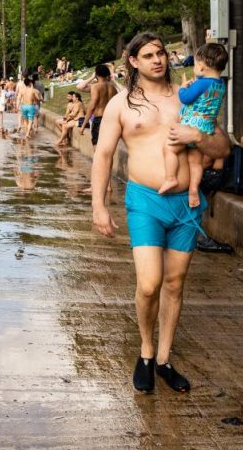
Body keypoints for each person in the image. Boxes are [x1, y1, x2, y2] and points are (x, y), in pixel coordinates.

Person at [90, 32, 231, 394]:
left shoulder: (192, 96)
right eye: (149, 55)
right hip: (145, 202)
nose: (158, 60)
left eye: (162, 54)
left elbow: (223, 147)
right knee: (150, 283)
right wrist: (99, 206)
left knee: (174, 283)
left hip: (186, 204)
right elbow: (103, 155)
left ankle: (165, 358)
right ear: (133, 61)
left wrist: (196, 137)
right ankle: (146, 350)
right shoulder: (122, 105)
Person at [160, 43, 228, 209]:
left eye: (196, 64)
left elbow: (186, 98)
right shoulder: (220, 85)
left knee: (169, 148)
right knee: (195, 162)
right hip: (206, 127)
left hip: (190, 126)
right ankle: (193, 190)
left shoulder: (202, 83)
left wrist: (183, 88)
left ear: (202, 66)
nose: (194, 68)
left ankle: (170, 178)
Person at [80, 64, 113, 145]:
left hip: (100, 119)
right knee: (108, 149)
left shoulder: (96, 86)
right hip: (111, 120)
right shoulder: (113, 87)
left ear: (96, 74)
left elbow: (92, 105)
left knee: (97, 149)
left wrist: (84, 124)